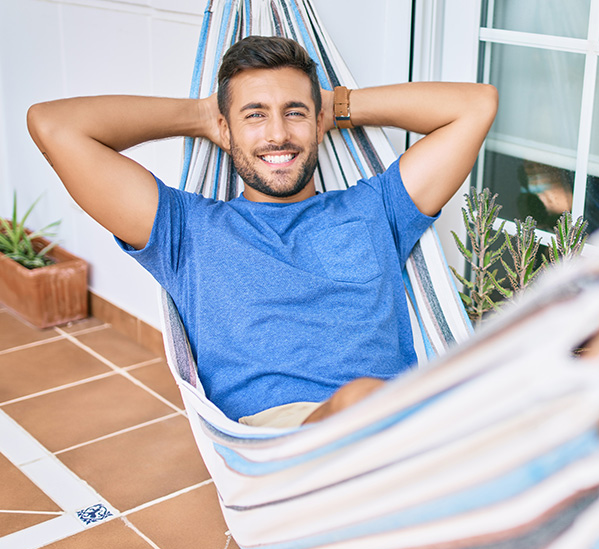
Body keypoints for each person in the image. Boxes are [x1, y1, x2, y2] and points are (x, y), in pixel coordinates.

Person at [27, 35, 498, 427]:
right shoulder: (186, 231)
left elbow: (476, 105)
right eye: (254, 115)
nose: (277, 135)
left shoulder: (376, 208)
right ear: (225, 130)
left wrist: (332, 105)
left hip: (397, 426)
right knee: (363, 403)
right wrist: (199, 116)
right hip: (277, 448)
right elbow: (54, 124)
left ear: (320, 124)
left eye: (294, 113)